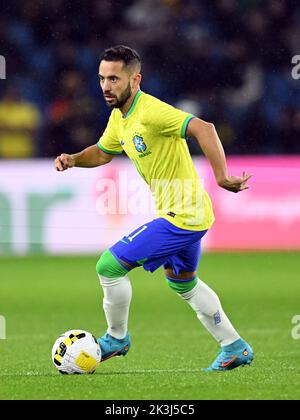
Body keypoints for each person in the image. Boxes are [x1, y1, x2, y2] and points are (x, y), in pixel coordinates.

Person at [54, 45, 253, 371]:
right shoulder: (120, 117)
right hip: (187, 213)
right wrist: (74, 159)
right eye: (102, 78)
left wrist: (221, 177)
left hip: (184, 215)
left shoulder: (151, 112)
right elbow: (104, 153)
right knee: (183, 282)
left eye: (114, 79)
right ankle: (234, 346)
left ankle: (116, 338)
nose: (106, 86)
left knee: (108, 266)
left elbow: (205, 129)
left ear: (135, 80)